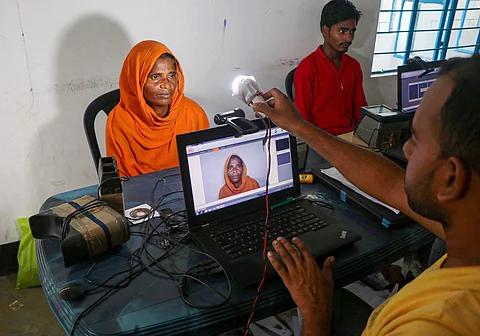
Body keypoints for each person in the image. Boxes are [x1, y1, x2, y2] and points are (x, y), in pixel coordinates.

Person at [253, 55, 480, 335]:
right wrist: (298, 125)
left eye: (417, 141)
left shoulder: (432, 325)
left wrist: (314, 313)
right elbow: (392, 185)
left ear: (451, 178)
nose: (406, 150)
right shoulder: (469, 228)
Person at [106, 40, 209, 177]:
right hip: (140, 196)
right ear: (137, 80)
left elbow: (206, 168)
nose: (167, 85)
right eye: (155, 77)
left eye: (171, 75)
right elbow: (122, 182)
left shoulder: (194, 114)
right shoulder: (119, 122)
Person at [294, 0, 367, 135]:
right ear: (325, 30)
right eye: (342, 31)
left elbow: (360, 110)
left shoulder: (353, 66)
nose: (349, 38)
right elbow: (303, 121)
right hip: (323, 140)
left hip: (352, 138)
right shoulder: (308, 68)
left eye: (352, 31)